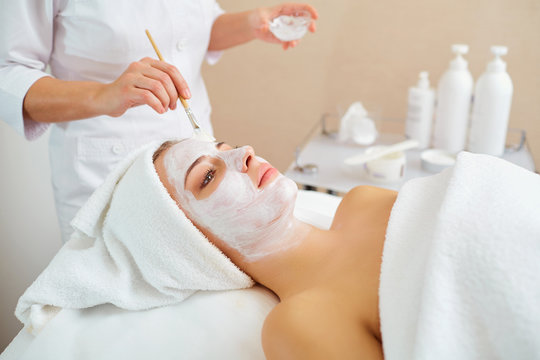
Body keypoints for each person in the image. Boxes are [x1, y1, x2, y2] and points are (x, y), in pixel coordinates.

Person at [0, 1, 318, 242]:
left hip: (195, 156)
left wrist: (252, 23)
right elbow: (8, 74)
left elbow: (190, 32)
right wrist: (104, 95)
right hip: (107, 171)